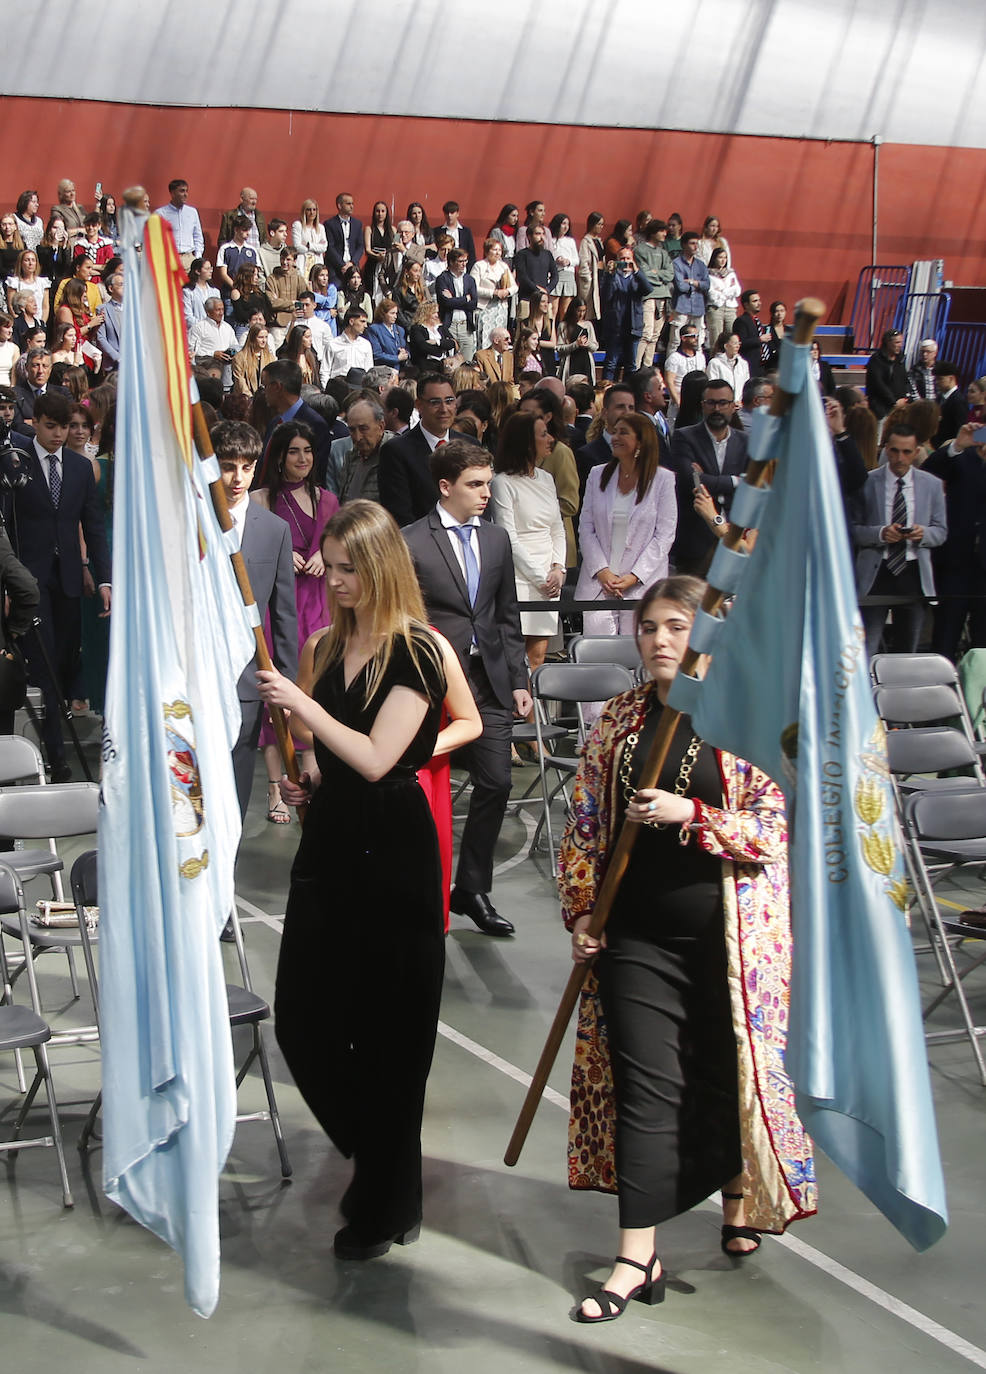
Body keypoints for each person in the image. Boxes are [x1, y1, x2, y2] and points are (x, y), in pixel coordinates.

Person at [563, 575, 815, 1322]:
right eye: (649, 628)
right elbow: (583, 822)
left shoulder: (748, 719)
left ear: (708, 635)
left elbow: (773, 829)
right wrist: (582, 912)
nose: (661, 640)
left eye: (677, 626)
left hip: (730, 940)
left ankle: (737, 1193)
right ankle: (636, 1255)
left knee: (723, 1072)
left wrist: (693, 814)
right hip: (636, 934)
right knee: (647, 1087)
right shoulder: (619, 718)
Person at [257, 500, 448, 1259]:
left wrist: (302, 707)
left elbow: (377, 757)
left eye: (348, 570)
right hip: (332, 842)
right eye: (328, 568)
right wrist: (302, 768)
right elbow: (327, 755)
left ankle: (385, 1193)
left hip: (395, 851)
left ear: (380, 569)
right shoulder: (325, 645)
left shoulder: (420, 654)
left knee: (392, 1040)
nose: (333, 582)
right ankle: (378, 1160)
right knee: (303, 1019)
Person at [403, 442, 532, 937]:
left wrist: (519, 679)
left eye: (488, 482)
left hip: (491, 681)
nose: (485, 493)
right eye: (475, 484)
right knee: (424, 794)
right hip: (434, 687)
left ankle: (471, 889)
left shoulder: (497, 539)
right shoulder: (412, 540)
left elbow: (506, 615)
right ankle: (424, 887)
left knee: (498, 782)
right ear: (445, 487)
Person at [8, 390, 111, 780]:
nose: (58, 434)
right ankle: (57, 759)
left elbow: (94, 528)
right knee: (47, 668)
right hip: (27, 581)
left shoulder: (82, 468)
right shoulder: (15, 464)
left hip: (69, 579)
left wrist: (104, 578)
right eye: (51, 426)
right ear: (35, 422)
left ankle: (54, 749)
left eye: (64, 426)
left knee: (66, 665)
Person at [251, 421, 338, 822]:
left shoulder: (328, 500)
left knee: (313, 693)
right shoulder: (262, 499)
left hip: (319, 604)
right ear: (279, 456)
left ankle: (309, 777)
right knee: (278, 690)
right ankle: (274, 786)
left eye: (307, 451)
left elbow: (340, 547)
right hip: (279, 605)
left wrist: (324, 555)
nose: (302, 459)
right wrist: (280, 555)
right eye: (293, 452)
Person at [211, 420, 298, 819]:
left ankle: (227, 868)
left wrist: (289, 688)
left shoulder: (275, 530)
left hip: (247, 676)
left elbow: (284, 614)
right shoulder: (189, 525)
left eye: (247, 467)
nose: (238, 478)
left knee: (238, 778)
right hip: (196, 674)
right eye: (229, 466)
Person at [575, 413, 677, 635]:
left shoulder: (664, 480)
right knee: (598, 658)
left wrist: (634, 576)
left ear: (641, 441)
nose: (615, 437)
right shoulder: (597, 474)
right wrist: (603, 571)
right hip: (599, 585)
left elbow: (665, 535)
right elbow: (586, 527)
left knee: (637, 658)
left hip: (643, 587)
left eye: (623, 432)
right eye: (614, 432)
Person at [854, 423, 947, 656]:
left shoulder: (932, 485)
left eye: (906, 452)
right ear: (886, 449)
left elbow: (941, 531)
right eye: (894, 451)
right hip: (876, 573)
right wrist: (880, 534)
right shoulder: (866, 482)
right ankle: (867, 691)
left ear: (916, 452)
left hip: (913, 572)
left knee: (909, 650)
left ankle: (903, 691)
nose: (899, 458)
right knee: (866, 648)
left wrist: (922, 534)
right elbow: (853, 530)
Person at [490, 412, 566, 681]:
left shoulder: (546, 478)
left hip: (550, 580)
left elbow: (557, 528)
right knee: (513, 659)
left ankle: (535, 719)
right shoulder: (502, 483)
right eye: (543, 434)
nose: (551, 439)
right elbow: (508, 536)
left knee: (538, 658)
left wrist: (558, 569)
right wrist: (540, 577)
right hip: (520, 580)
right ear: (525, 441)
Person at [668, 378, 749, 575]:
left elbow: (753, 487)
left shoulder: (746, 442)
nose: (717, 409)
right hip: (696, 543)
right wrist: (737, 481)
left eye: (723, 403)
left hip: (736, 539)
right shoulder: (683, 437)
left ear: (733, 406)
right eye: (711, 403)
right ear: (702, 406)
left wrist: (707, 479)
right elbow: (691, 482)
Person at [378, 372, 475, 526]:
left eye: (449, 401)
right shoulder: (396, 451)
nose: (444, 409)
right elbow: (400, 515)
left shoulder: (471, 445)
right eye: (435, 402)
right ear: (419, 405)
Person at [925, 421, 986, 661]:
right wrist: (957, 446)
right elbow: (927, 475)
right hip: (955, 564)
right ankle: (938, 693)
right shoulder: (961, 455)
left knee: (982, 647)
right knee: (945, 639)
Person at [599, 249, 649, 382]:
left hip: (633, 326)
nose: (625, 262)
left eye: (628, 259)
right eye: (622, 259)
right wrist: (610, 274)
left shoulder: (637, 277)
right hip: (615, 327)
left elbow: (648, 290)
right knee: (611, 363)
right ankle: (605, 393)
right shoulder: (611, 276)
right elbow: (605, 296)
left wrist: (637, 271)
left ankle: (628, 392)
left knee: (631, 365)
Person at [470, 238, 517, 351]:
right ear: (487, 251)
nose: (497, 253)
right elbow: (473, 288)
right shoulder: (479, 266)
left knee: (499, 338)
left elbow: (515, 287)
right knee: (485, 339)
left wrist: (507, 292)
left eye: (499, 250)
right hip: (485, 308)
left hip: (500, 309)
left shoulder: (503, 266)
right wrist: (494, 292)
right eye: (494, 249)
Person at [435, 247, 478, 362]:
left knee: (467, 361)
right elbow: (445, 302)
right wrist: (465, 299)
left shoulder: (470, 280)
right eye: (460, 261)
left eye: (465, 261)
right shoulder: (442, 279)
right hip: (450, 325)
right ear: (451, 262)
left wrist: (454, 300)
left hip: (466, 326)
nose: (464, 264)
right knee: (450, 362)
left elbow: (474, 303)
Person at [668, 232, 709, 351]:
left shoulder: (701, 265)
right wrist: (697, 284)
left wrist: (691, 282)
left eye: (697, 243)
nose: (695, 246)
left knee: (698, 340)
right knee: (676, 340)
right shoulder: (676, 263)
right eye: (692, 243)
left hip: (698, 306)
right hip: (681, 305)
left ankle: (698, 367)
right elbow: (681, 286)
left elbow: (707, 285)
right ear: (684, 245)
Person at [153, 179, 204, 270]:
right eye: (182, 191)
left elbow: (198, 236)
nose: (185, 194)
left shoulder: (192, 212)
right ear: (172, 193)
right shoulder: (160, 214)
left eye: (186, 191)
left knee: (190, 284)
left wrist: (197, 257)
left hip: (189, 259)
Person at [865, 328, 910, 422]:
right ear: (888, 343)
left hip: (899, 409)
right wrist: (893, 402)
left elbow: (904, 380)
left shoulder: (900, 359)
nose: (900, 345)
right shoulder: (876, 360)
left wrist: (905, 399)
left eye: (901, 342)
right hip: (881, 410)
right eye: (897, 342)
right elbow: (878, 384)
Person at [705, 247, 742, 348]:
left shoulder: (731, 273)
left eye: (725, 257)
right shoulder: (708, 274)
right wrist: (728, 292)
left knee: (732, 335)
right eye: (720, 257)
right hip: (715, 308)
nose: (723, 260)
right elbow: (711, 293)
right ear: (714, 258)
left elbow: (737, 290)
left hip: (730, 308)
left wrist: (723, 292)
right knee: (716, 337)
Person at [556, 300, 599, 384]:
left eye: (584, 311)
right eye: (579, 311)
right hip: (571, 362)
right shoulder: (564, 325)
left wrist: (588, 344)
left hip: (585, 362)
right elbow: (559, 348)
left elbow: (595, 347)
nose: (581, 314)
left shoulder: (588, 325)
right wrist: (576, 344)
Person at [407, 299, 456, 372]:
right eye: (433, 313)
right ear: (425, 314)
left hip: (443, 365)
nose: (437, 315)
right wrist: (442, 349)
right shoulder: (417, 329)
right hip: (426, 366)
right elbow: (423, 347)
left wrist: (437, 342)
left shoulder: (440, 327)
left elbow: (452, 343)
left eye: (437, 312)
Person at [548, 213, 579, 322]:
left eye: (568, 224)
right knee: (553, 309)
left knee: (565, 310)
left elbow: (577, 260)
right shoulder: (550, 240)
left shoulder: (570, 241)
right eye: (563, 224)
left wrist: (568, 261)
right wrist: (557, 260)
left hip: (568, 275)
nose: (566, 227)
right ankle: (551, 334)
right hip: (555, 274)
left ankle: (563, 333)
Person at [577, 212, 605, 323]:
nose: (601, 227)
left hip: (600, 277)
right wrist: (588, 278)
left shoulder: (599, 241)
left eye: (602, 224)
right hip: (591, 280)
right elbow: (583, 262)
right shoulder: (586, 241)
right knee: (588, 309)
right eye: (599, 224)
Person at [367, 298, 408, 369]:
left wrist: (405, 353)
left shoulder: (400, 329)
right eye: (392, 313)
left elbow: (406, 347)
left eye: (396, 313)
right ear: (383, 314)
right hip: (383, 369)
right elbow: (377, 354)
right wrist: (397, 358)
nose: (395, 316)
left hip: (399, 369)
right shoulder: (374, 329)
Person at [733, 290, 767, 378]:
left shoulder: (757, 321)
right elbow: (741, 342)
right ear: (746, 305)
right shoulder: (741, 321)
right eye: (755, 301)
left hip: (761, 364)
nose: (759, 303)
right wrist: (759, 340)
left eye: (759, 300)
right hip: (749, 364)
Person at [932, 359, 966, 447]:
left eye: (940, 379)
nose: (937, 382)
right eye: (936, 379)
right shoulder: (939, 398)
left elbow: (959, 429)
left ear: (951, 378)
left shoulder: (958, 401)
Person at [707, 330, 750, 395]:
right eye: (735, 343)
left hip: (740, 403)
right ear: (726, 346)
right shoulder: (715, 363)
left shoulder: (743, 363)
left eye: (739, 343)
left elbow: (746, 385)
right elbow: (713, 385)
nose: (737, 346)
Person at [291, 198, 327, 271]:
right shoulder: (298, 225)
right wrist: (316, 248)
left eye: (314, 210)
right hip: (302, 263)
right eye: (309, 210)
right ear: (304, 211)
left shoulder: (321, 227)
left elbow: (324, 247)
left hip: (317, 263)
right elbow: (297, 247)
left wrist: (309, 245)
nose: (312, 212)